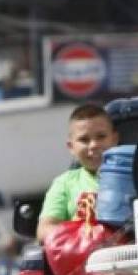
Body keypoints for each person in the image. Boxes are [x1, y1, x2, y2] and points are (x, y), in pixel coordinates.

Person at [36, 103, 119, 242]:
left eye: (101, 136)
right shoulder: (65, 184)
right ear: (71, 147)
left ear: (115, 139)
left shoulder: (135, 175)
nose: (93, 145)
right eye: (84, 140)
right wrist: (83, 235)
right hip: (85, 261)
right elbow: (44, 230)